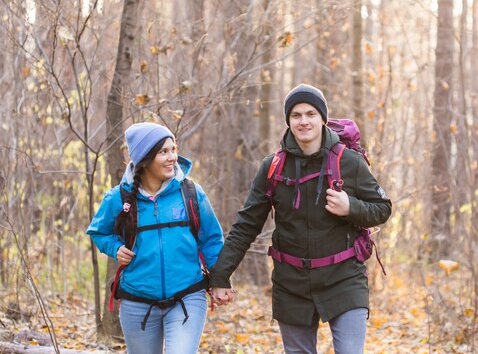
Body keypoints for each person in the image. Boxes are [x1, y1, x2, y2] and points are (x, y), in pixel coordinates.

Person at [210, 84, 392, 354]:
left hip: (343, 278)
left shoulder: (350, 162)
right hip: (291, 282)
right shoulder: (272, 167)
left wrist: (350, 206)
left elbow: (382, 208)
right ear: (288, 121)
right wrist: (220, 276)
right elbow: (246, 226)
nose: (303, 121)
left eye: (310, 114)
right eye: (296, 115)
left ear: (322, 118)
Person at [87, 122, 224, 354]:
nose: (172, 157)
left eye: (173, 149)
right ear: (145, 158)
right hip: (136, 301)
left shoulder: (190, 192)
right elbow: (99, 232)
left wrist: (221, 280)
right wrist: (115, 248)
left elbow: (212, 239)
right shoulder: (118, 198)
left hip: (187, 296)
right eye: (163, 152)